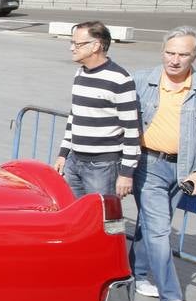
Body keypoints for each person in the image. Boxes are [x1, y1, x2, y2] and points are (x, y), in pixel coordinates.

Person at [131, 27, 196, 301]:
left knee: (150, 224)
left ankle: (136, 274)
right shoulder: (141, 81)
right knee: (159, 229)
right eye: (170, 52)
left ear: (195, 55)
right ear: (162, 51)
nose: (174, 60)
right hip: (147, 165)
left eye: (183, 54)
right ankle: (171, 297)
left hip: (183, 170)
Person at [53, 21, 140, 199]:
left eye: (77, 44)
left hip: (103, 166)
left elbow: (132, 130)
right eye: (72, 42)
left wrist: (126, 173)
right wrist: (63, 154)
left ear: (96, 46)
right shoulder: (80, 73)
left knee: (102, 214)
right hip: (74, 161)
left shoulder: (120, 79)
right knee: (75, 212)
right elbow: (74, 116)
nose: (72, 48)